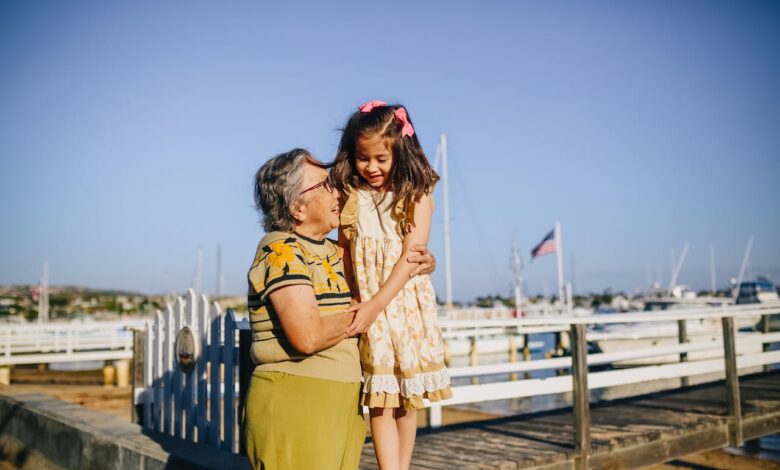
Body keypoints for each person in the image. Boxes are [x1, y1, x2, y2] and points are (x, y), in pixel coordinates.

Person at [244, 148, 436, 470]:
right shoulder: (282, 250)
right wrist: (369, 312)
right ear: (297, 206)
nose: (339, 189)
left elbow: (381, 276)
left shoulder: (332, 251)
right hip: (298, 401)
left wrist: (421, 264)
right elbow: (307, 335)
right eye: (327, 184)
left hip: (338, 402)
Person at [331, 101, 452, 470]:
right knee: (380, 397)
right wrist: (353, 296)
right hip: (365, 301)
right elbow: (343, 251)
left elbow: (412, 258)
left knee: (405, 395)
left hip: (400, 301)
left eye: (380, 158)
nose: (371, 167)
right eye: (363, 158)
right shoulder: (351, 193)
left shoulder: (417, 191)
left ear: (400, 149)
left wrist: (374, 306)